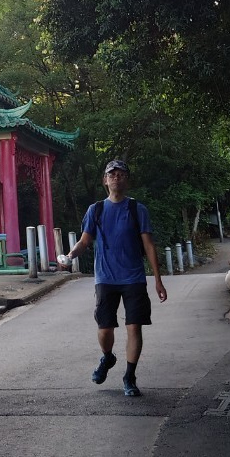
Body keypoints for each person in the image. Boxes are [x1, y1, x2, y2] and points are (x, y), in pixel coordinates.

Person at [66, 160, 167, 396]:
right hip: (105, 278)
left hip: (133, 277)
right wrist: (70, 255)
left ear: (126, 180)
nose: (116, 178)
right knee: (104, 328)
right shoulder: (96, 210)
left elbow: (149, 245)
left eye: (121, 174)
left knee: (134, 326)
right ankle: (107, 357)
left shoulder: (137, 209)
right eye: (112, 174)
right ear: (105, 180)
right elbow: (84, 241)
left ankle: (130, 376)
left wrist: (157, 279)